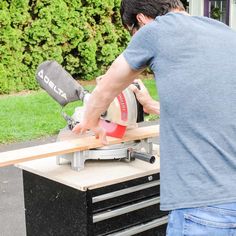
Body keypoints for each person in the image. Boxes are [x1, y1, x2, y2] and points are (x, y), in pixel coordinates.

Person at [73, 0, 236, 235]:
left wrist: (89, 120)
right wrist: (151, 105)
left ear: (140, 19)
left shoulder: (155, 31)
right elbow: (212, 102)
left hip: (204, 205)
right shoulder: (221, 31)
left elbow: (106, 88)